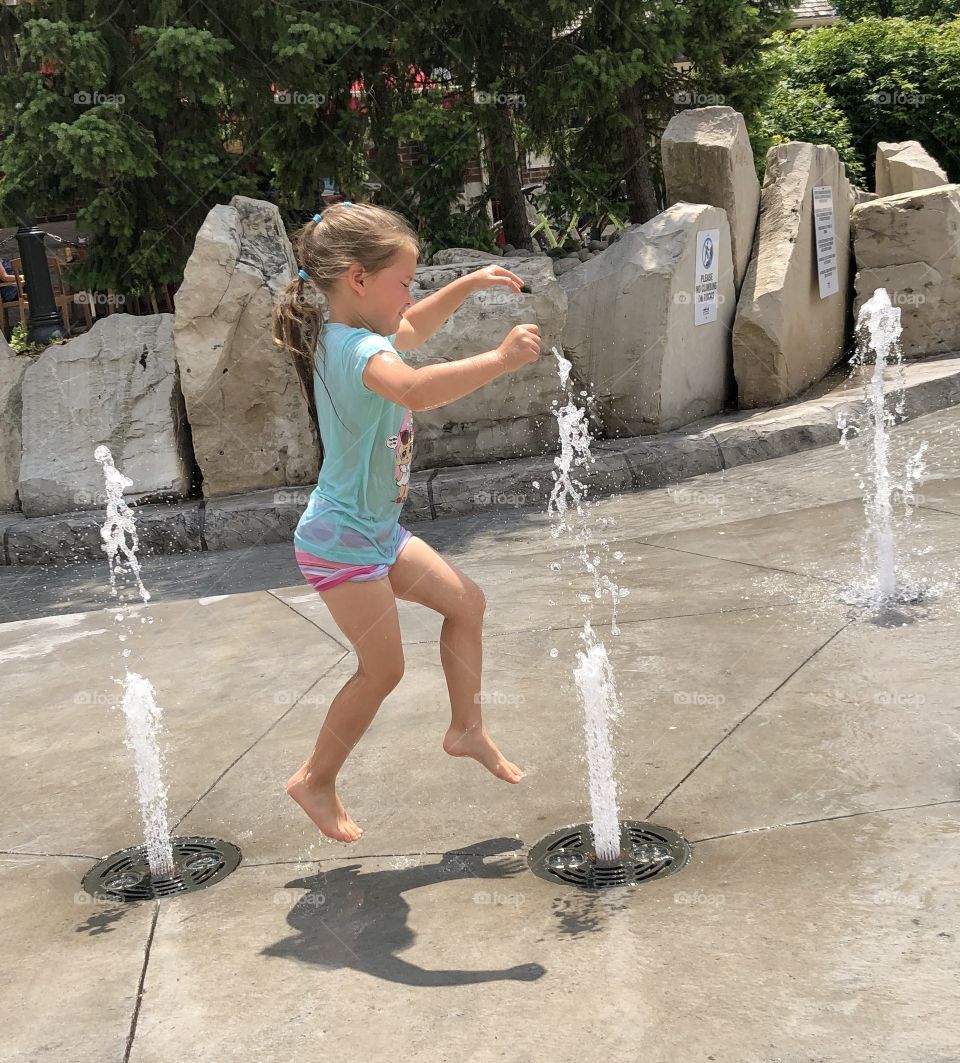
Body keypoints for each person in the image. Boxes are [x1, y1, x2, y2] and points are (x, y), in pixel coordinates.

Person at [272, 201, 542, 843]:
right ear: (359, 280)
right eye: (402, 280)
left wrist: (470, 283)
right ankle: (314, 779)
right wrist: (501, 359)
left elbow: (415, 326)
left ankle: (466, 728)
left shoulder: (359, 333)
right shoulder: (358, 350)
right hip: (341, 542)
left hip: (374, 532)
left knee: (465, 604)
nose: (409, 294)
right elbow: (416, 388)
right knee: (383, 670)